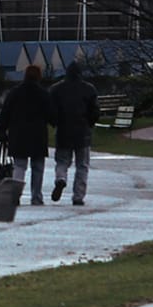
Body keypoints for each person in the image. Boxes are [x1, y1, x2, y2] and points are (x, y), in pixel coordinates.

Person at [0, 63, 54, 206]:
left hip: (18, 134)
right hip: (38, 135)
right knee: (37, 167)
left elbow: (5, 114)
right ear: (39, 77)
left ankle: (15, 195)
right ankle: (36, 196)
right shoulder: (43, 93)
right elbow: (51, 115)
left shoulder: (14, 93)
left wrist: (1, 130)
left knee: (19, 166)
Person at [49, 60, 99, 204]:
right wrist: (90, 123)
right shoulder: (89, 89)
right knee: (82, 165)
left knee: (62, 161)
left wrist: (55, 122)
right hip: (83, 132)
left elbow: (51, 110)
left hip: (63, 131)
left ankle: (61, 178)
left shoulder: (56, 89)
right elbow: (95, 111)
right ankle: (78, 196)